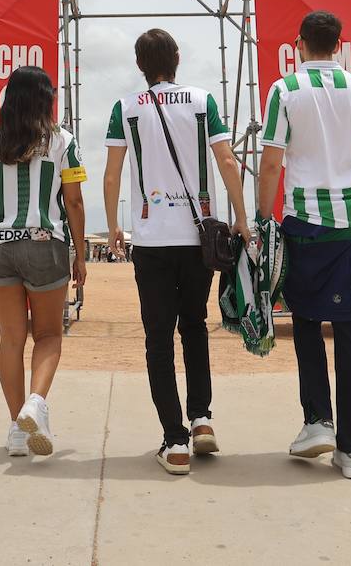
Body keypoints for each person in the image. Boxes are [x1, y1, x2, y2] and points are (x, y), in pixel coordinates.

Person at [256, 11, 351, 480]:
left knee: (305, 320)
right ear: (340, 44)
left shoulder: (284, 90)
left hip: (305, 224)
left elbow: (271, 163)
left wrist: (262, 220)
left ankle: (317, 421)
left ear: (299, 43)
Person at [103, 29, 248, 476]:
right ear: (178, 57)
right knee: (195, 326)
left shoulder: (125, 108)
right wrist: (241, 217)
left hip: (151, 239)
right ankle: (201, 418)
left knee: (158, 338)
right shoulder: (203, 101)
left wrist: (113, 226)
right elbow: (227, 160)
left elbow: (112, 175)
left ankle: (175, 440)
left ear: (139, 64)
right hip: (198, 236)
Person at [0, 65, 88, 458]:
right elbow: (74, 202)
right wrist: (80, 255)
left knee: (11, 338)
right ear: (46, 99)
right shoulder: (63, 140)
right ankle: (35, 403)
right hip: (45, 244)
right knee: (49, 335)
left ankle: (16, 431)